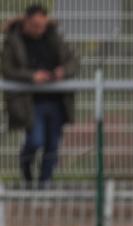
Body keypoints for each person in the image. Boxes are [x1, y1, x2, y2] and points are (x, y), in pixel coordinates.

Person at [1, 4, 78, 185]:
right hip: (31, 102)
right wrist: (32, 77)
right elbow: (7, 69)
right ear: (26, 22)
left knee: (52, 145)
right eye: (35, 26)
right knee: (35, 141)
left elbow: (73, 61)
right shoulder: (14, 40)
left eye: (42, 26)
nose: (39, 30)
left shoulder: (54, 37)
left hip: (57, 100)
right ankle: (27, 176)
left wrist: (62, 72)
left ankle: (45, 184)